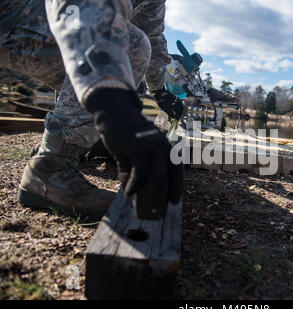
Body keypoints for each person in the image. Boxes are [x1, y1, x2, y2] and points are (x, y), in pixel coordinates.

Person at [0, 0, 184, 219]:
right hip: (15, 15)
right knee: (131, 45)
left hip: (44, 21)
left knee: (125, 47)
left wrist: (160, 90)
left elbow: (152, 34)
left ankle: (73, 143)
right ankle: (52, 166)